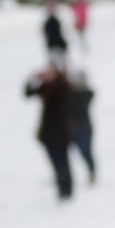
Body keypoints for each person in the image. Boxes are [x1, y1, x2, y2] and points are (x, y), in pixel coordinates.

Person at [24, 60, 74, 200]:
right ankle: (61, 188)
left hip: (61, 134)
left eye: (51, 71)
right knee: (55, 163)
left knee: (63, 162)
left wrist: (49, 80)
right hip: (47, 134)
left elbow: (62, 92)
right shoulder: (46, 87)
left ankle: (67, 190)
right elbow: (27, 93)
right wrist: (34, 79)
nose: (48, 74)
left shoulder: (62, 86)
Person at [67, 68, 97, 184]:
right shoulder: (69, 94)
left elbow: (89, 93)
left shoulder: (85, 94)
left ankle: (92, 172)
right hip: (72, 129)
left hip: (84, 129)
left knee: (86, 152)